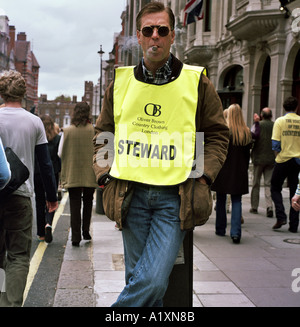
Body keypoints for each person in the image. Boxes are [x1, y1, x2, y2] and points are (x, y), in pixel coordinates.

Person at [93, 2, 229, 307]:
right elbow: (103, 135)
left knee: (152, 281)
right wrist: (104, 176)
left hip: (175, 198)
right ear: (140, 37)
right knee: (138, 281)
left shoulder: (197, 82)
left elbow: (218, 134)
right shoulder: (120, 84)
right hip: (131, 195)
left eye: (162, 30)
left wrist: (204, 176)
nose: (155, 36)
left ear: (172, 37)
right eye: (148, 30)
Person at [0, 70, 58, 307]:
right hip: (21, 196)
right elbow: (45, 164)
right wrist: (52, 197)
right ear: (24, 94)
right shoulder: (34, 122)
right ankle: (11, 303)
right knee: (18, 256)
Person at [211, 104, 252, 244]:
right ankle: (235, 233)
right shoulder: (246, 132)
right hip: (239, 172)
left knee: (221, 200)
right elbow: (247, 156)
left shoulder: (225, 132)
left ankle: (220, 229)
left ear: (229, 115)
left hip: (223, 171)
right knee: (236, 201)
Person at [58, 101, 98, 247]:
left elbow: (60, 152)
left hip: (72, 171)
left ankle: (75, 237)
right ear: (88, 113)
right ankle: (86, 232)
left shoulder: (67, 131)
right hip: (89, 172)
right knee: (88, 202)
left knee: (74, 203)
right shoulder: (94, 131)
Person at [271, 96, 300, 232]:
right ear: (296, 107)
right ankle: (294, 225)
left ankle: (281, 215)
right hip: (297, 161)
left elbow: (275, 144)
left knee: (275, 187)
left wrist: (278, 156)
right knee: (296, 191)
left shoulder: (280, 121)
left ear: (284, 107)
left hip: (283, 160)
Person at [34, 115, 61, 243]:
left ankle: (41, 233)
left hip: (37, 173)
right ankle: (48, 223)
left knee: (39, 202)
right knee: (51, 199)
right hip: (52, 173)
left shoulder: (36, 138)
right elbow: (59, 157)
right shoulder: (57, 139)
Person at [250, 108, 275, 217]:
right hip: (271, 158)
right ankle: (269, 206)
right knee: (268, 184)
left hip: (258, 158)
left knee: (256, 183)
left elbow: (252, 138)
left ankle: (254, 206)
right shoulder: (275, 125)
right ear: (271, 116)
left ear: (261, 115)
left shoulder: (257, 125)